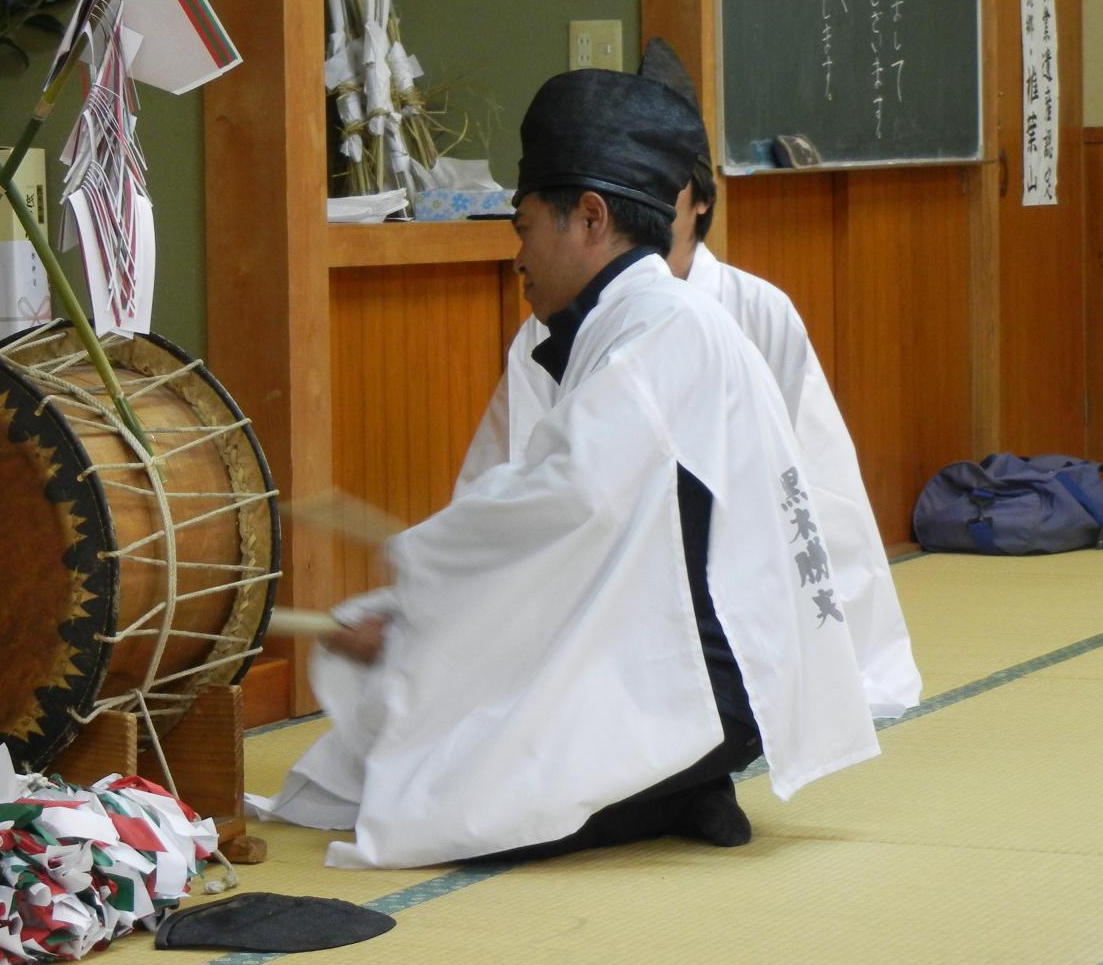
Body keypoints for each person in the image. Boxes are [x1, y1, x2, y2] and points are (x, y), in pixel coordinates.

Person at [251, 44, 880, 869]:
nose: (515, 258)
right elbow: (555, 508)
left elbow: (565, 497)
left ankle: (678, 777)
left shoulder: (661, 330)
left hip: (717, 678)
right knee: (451, 736)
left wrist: (417, 588)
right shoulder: (632, 321)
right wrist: (420, 605)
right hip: (691, 656)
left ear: (589, 217)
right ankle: (674, 786)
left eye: (523, 228)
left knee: (463, 807)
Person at [663, 74, 922, 720]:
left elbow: (811, 466)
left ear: (700, 202)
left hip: (748, 544)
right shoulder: (581, 314)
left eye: (663, 186)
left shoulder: (757, 308)